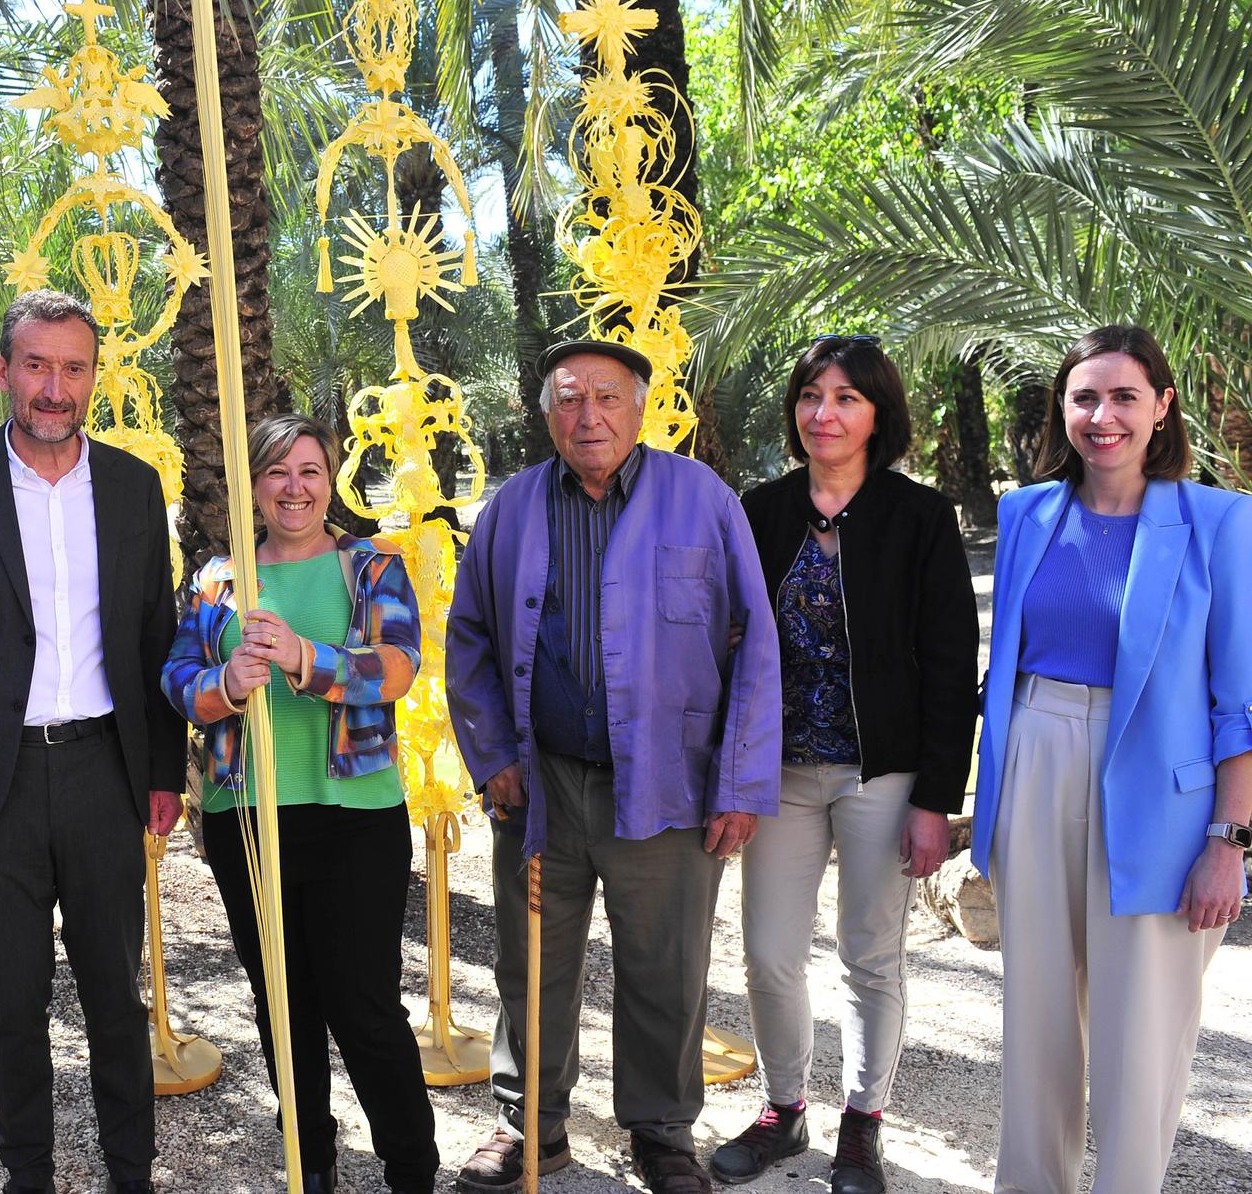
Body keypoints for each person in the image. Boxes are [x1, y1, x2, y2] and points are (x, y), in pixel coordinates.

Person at [444, 338, 782, 1194]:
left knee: (665, 960)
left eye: (605, 396)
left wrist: (739, 783)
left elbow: (753, 643)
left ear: (639, 406)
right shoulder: (514, 508)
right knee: (531, 956)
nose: (587, 414)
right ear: (545, 410)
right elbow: (471, 638)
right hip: (542, 780)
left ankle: (663, 1133)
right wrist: (492, 760)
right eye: (568, 398)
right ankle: (533, 1125)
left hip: (668, 780)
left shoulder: (702, 499)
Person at [0, 289, 185, 1194]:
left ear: (94, 376)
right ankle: (29, 1175)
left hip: (105, 770)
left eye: (73, 367)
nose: (54, 388)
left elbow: (153, 636)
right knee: (12, 1002)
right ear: (2, 371)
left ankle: (129, 1171)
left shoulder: (135, 486)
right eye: (36, 365)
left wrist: (164, 772)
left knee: (113, 995)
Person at [969, 324, 1250, 1194]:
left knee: (1142, 1033)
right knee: (1039, 1019)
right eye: (1085, 396)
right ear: (1063, 407)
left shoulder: (1219, 521)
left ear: (1163, 407)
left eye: (1125, 395)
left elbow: (1238, 702)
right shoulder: (1025, 514)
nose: (1103, 416)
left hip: (1164, 798)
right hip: (1037, 758)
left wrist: (1229, 841)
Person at [716, 337, 978, 1193]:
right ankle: (783, 1108)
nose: (823, 412)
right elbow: (727, 646)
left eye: (846, 398)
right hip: (780, 773)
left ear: (877, 413)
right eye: (810, 395)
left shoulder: (919, 517)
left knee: (871, 955)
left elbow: (947, 665)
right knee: (768, 952)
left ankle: (861, 1122)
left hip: (884, 774)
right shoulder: (762, 509)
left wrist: (936, 798)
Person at [162, 413, 440, 1194]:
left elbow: (396, 667)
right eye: (278, 472)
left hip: (354, 818)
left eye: (310, 470)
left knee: (363, 1006)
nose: (294, 487)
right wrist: (223, 687)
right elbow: (178, 678)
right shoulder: (219, 580)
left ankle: (411, 1169)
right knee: (283, 1002)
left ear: (331, 480)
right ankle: (309, 1161)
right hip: (244, 816)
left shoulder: (369, 568)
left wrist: (302, 658)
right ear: (255, 484)